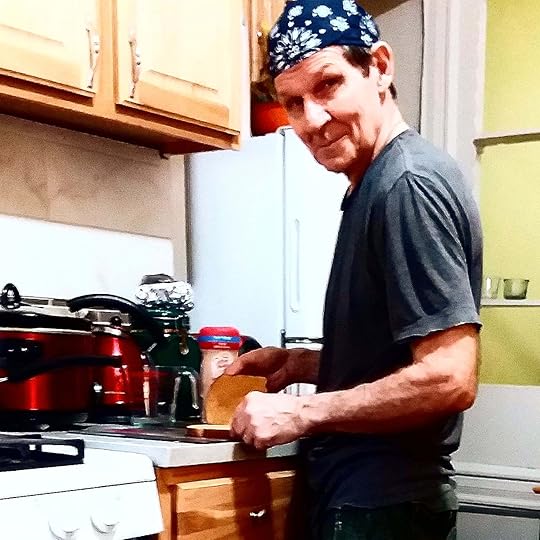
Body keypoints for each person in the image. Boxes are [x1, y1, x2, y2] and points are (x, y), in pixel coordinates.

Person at [225, 1, 483, 538]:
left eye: (328, 85)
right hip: (373, 501)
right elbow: (395, 359)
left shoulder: (407, 185)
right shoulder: (377, 182)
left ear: (380, 68)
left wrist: (302, 413)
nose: (312, 120)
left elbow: (448, 377)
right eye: (293, 103)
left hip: (380, 507)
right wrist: (302, 363)